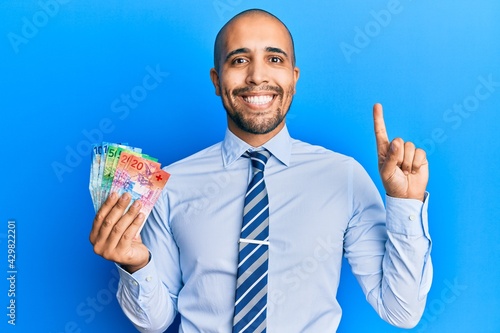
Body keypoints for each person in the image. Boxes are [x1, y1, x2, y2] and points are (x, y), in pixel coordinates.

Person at [90, 8, 432, 333]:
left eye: (274, 59)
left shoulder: (344, 177)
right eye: (239, 60)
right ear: (216, 78)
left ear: (293, 78)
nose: (257, 76)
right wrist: (135, 264)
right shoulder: (172, 184)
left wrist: (405, 203)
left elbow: (401, 310)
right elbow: (154, 322)